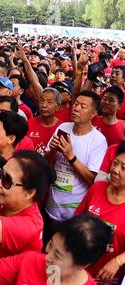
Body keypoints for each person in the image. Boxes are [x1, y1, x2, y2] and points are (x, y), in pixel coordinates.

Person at [0, 196, 112, 285]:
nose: (48, 255)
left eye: (58, 255)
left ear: (82, 265)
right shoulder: (30, 261)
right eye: (51, 245)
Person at [45, 91, 108, 242]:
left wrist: (70, 156)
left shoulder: (98, 141)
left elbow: (92, 180)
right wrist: (53, 151)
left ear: (93, 113)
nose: (76, 108)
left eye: (83, 106)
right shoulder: (63, 127)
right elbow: (47, 164)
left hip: (75, 216)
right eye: (76, 104)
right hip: (50, 209)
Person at [75, 144, 125, 285]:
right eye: (115, 163)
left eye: (124, 167)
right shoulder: (97, 188)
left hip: (110, 279)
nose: (115, 170)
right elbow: (76, 222)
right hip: (80, 270)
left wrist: (117, 261)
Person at [27, 88, 63, 155]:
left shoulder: (62, 128)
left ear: (58, 107)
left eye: (49, 102)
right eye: (42, 101)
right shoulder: (29, 124)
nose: (44, 105)